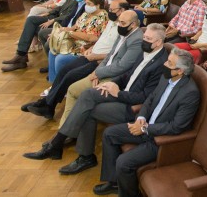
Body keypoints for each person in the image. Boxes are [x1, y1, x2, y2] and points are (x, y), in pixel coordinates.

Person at [23, 24, 168, 174]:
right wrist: (113, 83)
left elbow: (146, 97)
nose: (144, 41)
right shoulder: (145, 51)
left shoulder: (161, 64)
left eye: (148, 39)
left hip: (131, 106)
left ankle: (75, 152)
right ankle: (61, 145)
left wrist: (118, 93)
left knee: (88, 110)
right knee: (87, 94)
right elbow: (127, 75)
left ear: (158, 42)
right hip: (121, 92)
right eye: (144, 37)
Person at [94, 49, 200, 196]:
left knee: (123, 162)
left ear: (180, 71)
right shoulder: (166, 77)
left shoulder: (190, 93)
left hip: (160, 139)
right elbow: (150, 99)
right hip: (145, 125)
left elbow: (176, 127)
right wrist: (141, 118)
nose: (164, 64)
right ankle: (114, 183)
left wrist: (145, 129)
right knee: (109, 134)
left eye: (169, 63)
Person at [20, 0, 129, 117]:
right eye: (109, 9)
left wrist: (96, 57)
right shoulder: (112, 22)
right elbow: (101, 39)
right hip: (91, 54)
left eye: (112, 10)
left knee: (71, 76)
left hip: (99, 61)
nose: (110, 11)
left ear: (122, 10)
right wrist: (91, 47)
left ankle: (48, 106)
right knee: (64, 70)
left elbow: (117, 53)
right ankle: (45, 103)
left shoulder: (124, 29)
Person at [0, 0, 89, 72]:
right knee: (31, 20)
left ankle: (24, 58)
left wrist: (52, 20)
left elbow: (69, 16)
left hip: (60, 22)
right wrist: (49, 13)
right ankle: (21, 55)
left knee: (36, 29)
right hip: (56, 17)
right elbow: (61, 7)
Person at [45, 0, 108, 86]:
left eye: (89, 4)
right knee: (52, 51)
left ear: (98, 5)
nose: (86, 6)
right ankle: (54, 84)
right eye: (86, 3)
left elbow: (92, 38)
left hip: (84, 47)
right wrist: (61, 32)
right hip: (73, 42)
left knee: (60, 59)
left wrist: (70, 33)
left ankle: (61, 86)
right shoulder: (86, 14)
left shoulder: (102, 17)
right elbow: (74, 27)